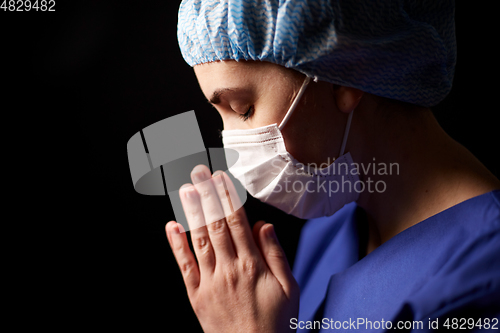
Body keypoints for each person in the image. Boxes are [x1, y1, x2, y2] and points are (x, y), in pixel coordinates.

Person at [166, 0, 500, 332]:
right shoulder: (336, 225)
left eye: (244, 109)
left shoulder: (482, 274)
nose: (232, 149)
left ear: (344, 74)